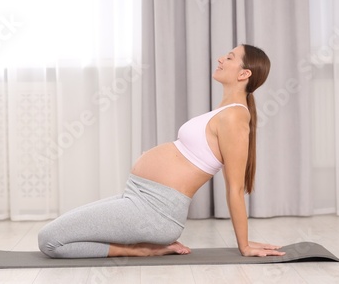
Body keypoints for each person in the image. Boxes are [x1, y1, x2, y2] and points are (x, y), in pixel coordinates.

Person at [38, 44, 286, 258]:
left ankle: (136, 251)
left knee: (49, 240)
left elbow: (235, 188)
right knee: (56, 233)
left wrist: (244, 245)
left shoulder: (235, 118)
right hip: (137, 197)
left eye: (230, 57)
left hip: (155, 211)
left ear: (244, 73)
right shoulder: (224, 112)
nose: (221, 58)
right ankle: (134, 246)